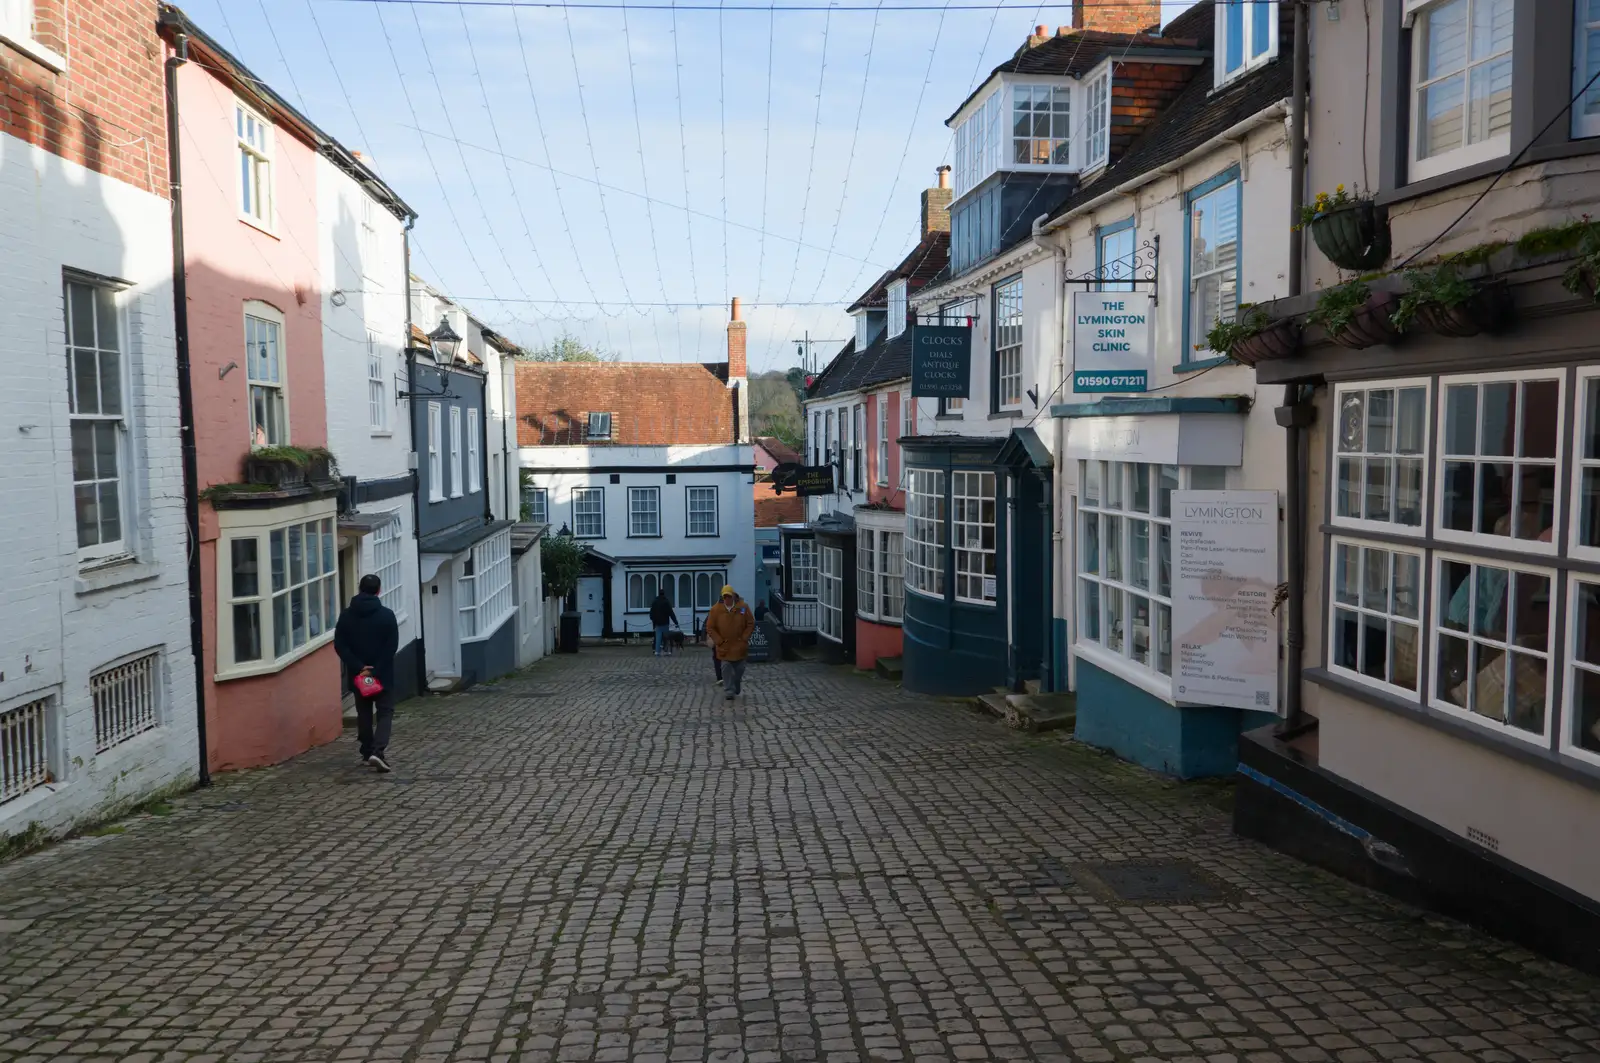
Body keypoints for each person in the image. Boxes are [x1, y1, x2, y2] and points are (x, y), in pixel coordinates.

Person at [334, 574, 400, 773]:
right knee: (385, 712)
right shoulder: (387, 616)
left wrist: (359, 666)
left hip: (358, 674)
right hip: (382, 674)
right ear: (378, 590)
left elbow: (340, 645)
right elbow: (391, 647)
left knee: (363, 713)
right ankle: (377, 751)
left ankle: (366, 751)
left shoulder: (346, 616)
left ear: (359, 588)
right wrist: (376, 669)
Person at [705, 585, 755, 701]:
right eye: (725, 597)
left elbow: (750, 623)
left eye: (729, 596)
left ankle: (736, 683)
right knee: (726, 667)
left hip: (739, 645)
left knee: (740, 668)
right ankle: (729, 690)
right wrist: (719, 641)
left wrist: (744, 637)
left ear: (733, 596)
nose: (727, 599)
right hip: (724, 646)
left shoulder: (743, 607)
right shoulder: (715, 610)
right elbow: (710, 627)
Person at [649, 588, 679, 656]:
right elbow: (671, 613)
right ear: (664, 594)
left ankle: (657, 651)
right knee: (666, 637)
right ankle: (666, 650)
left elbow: (651, 613)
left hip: (657, 622)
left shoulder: (655, 602)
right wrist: (676, 622)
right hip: (665, 622)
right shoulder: (666, 602)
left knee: (658, 637)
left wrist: (653, 620)